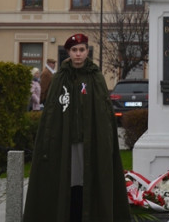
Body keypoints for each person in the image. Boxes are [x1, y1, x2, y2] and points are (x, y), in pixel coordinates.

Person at [22, 33, 131, 222]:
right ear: (68, 53)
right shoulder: (60, 78)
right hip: (65, 142)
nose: (78, 54)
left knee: (87, 181)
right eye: (74, 50)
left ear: (87, 52)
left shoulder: (95, 77)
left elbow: (104, 113)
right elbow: (51, 114)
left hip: (90, 142)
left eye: (81, 50)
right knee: (68, 181)